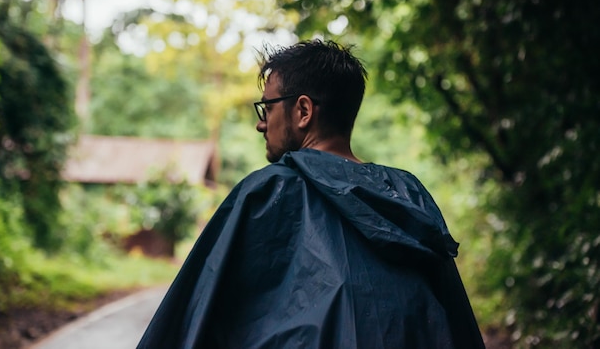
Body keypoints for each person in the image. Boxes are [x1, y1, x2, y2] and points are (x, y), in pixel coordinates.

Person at [137, 40, 485, 348]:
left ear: (303, 111)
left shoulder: (266, 193)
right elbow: (456, 323)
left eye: (267, 108)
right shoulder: (408, 194)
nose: (261, 123)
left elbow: (190, 320)